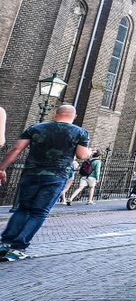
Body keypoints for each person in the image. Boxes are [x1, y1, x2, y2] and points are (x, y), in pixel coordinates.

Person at [0, 105, 91, 262]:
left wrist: (2, 168)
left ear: (55, 114)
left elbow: (16, 149)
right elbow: (82, 155)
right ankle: (17, 248)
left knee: (23, 208)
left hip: (30, 174)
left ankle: (5, 244)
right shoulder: (80, 132)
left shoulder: (35, 128)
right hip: (56, 177)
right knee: (39, 212)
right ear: (74, 116)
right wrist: (89, 152)